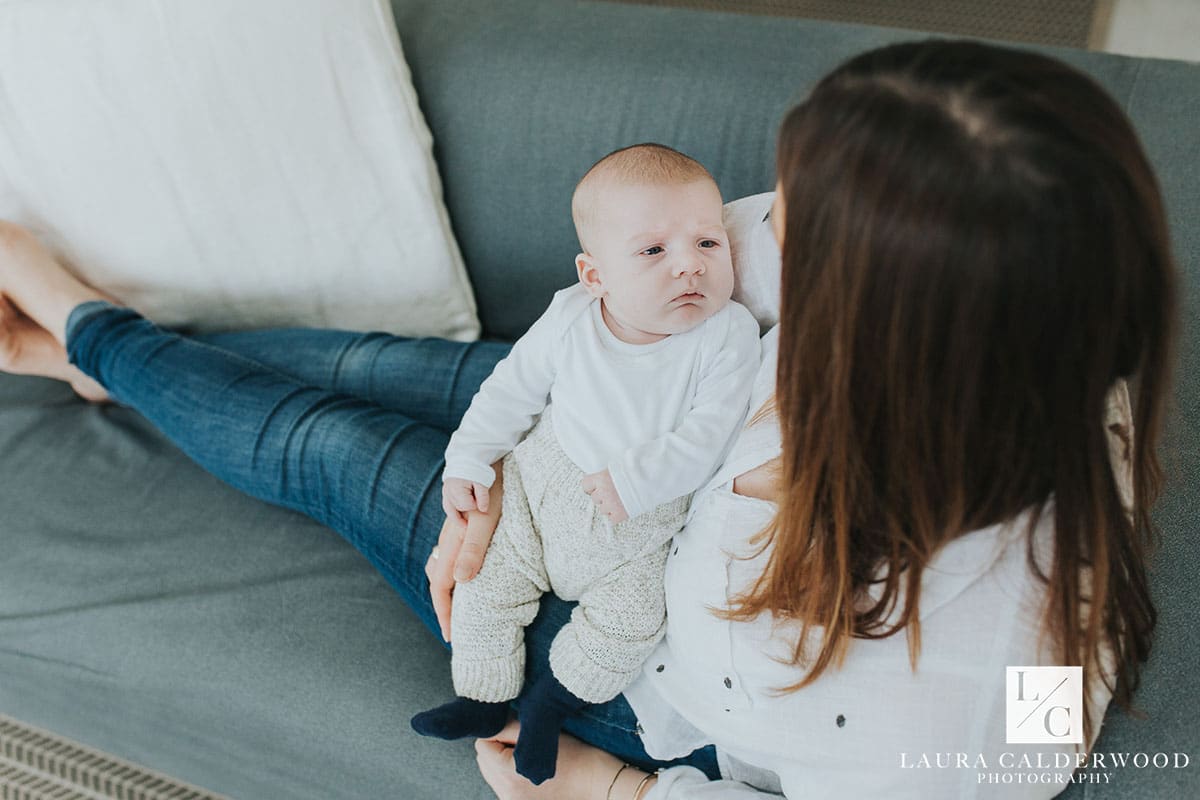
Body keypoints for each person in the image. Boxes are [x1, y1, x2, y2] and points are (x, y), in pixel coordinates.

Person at [0, 37, 1178, 800]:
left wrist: (620, 793)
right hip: (644, 411)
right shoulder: (1032, 308)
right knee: (371, 365)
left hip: (631, 639)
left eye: (803, 223)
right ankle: (113, 359)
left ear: (895, 327)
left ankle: (82, 324)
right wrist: (522, 432)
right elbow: (695, 269)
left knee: (332, 445)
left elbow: (1017, 745)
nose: (769, 227)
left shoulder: (990, 703)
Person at [412, 144, 759, 784]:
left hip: (640, 523)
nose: (689, 266)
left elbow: (712, 431)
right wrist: (469, 461)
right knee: (485, 582)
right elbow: (509, 389)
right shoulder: (571, 315)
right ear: (594, 275)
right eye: (654, 251)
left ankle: (549, 708)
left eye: (709, 244)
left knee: (627, 624)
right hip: (541, 485)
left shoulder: (726, 333)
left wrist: (636, 479)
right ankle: (482, 700)